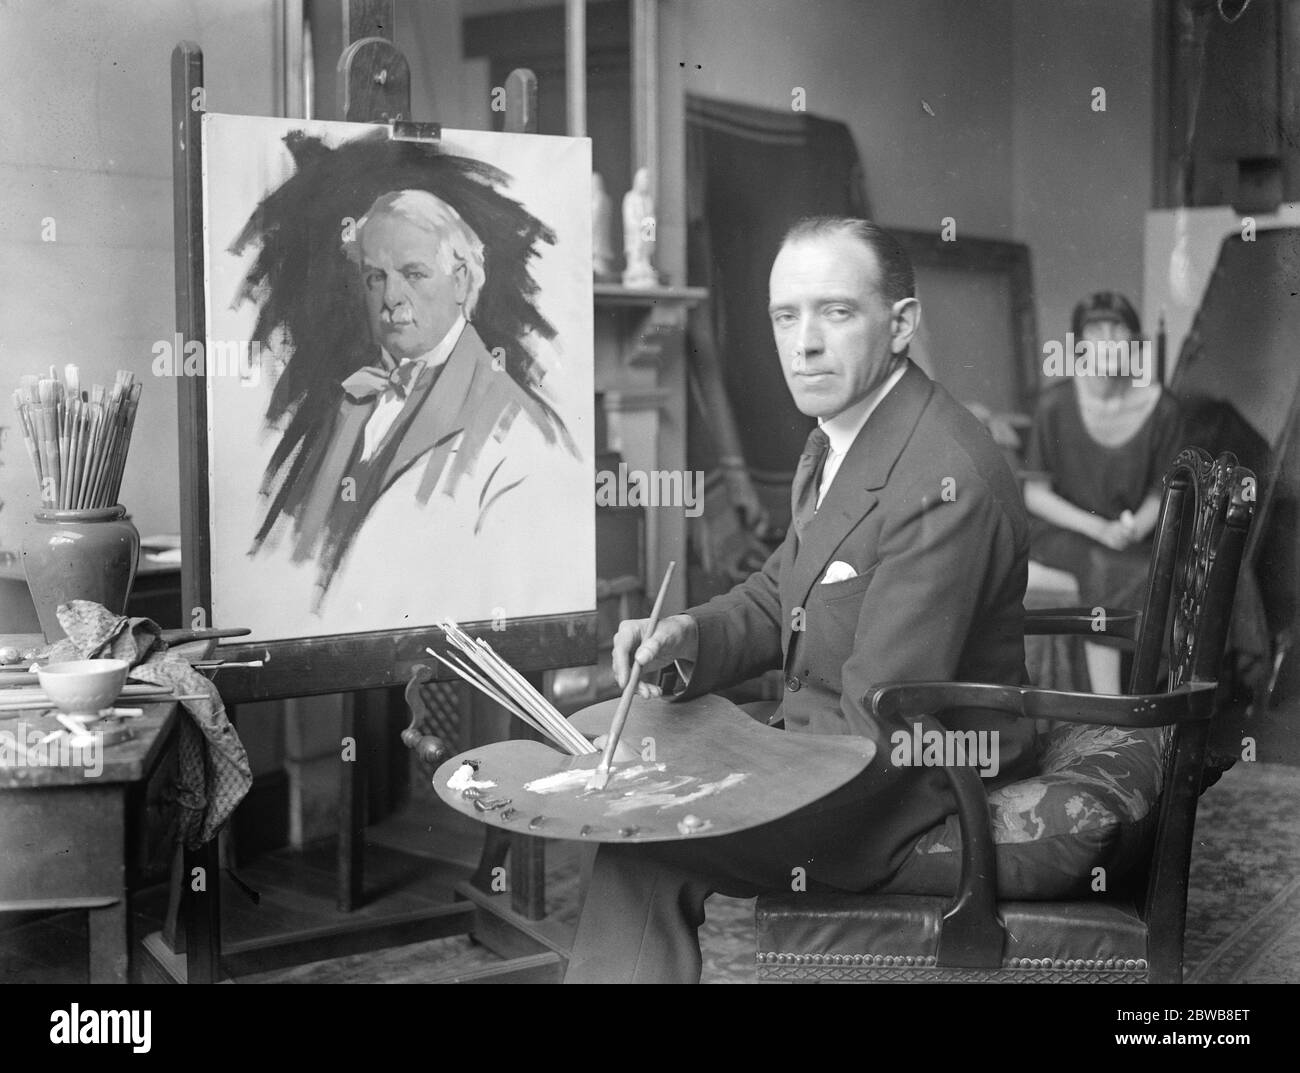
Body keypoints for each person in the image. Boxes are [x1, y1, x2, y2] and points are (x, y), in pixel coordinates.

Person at [563, 217, 1037, 984]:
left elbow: (880, 723)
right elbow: (783, 591)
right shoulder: (843, 435)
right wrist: (687, 633)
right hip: (832, 749)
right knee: (646, 781)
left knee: (645, 831)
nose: (804, 344)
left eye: (836, 312)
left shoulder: (942, 481)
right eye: (786, 316)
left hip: (916, 792)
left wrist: (718, 775)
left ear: (902, 325)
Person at [270, 189, 563, 607]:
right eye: (376, 277)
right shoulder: (354, 398)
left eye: (413, 274)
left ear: (461, 281)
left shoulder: (513, 425)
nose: (390, 297)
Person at [1023, 291, 1184, 693]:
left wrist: (1133, 529)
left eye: (1119, 329)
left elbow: (1161, 491)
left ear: (1136, 342)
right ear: (1079, 345)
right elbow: (1036, 495)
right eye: (1096, 331)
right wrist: (1099, 530)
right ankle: (1108, 705)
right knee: (1104, 564)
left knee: (1171, 571)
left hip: (1133, 533)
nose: (1109, 342)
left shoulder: (1164, 408)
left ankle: (1161, 697)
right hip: (1066, 531)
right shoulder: (1054, 404)